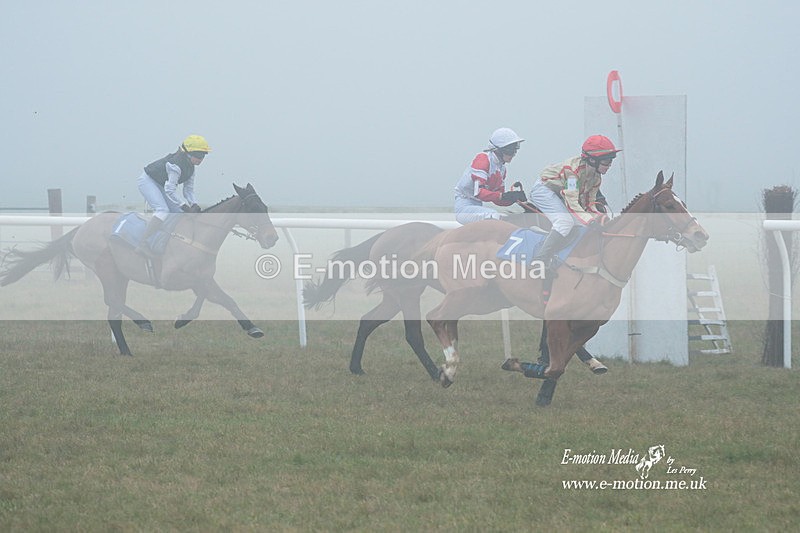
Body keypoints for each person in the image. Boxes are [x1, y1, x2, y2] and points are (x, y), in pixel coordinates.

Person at [527, 134, 621, 273]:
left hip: (560, 192)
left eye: (611, 161)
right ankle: (539, 260)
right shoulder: (572, 172)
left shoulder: (596, 178)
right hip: (544, 190)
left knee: (581, 224)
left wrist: (599, 218)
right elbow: (572, 203)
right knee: (564, 222)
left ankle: (559, 256)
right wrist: (590, 221)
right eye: (606, 162)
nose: (609, 166)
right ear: (592, 160)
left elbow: (589, 204)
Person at [134, 134, 211, 254]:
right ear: (187, 154)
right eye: (198, 155)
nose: (201, 159)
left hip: (161, 185)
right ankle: (142, 243)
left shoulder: (191, 168)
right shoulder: (175, 165)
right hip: (148, 181)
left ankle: (166, 239)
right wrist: (184, 206)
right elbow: (170, 190)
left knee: (179, 213)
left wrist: (194, 204)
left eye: (203, 156)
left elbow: (188, 190)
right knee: (162, 210)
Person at [454, 128, 528, 225]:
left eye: (515, 150)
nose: (514, 154)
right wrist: (503, 196)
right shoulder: (482, 160)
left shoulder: (502, 169)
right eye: (510, 150)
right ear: (498, 150)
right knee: (492, 214)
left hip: (477, 207)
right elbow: (479, 193)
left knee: (504, 217)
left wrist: (513, 198)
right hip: (464, 207)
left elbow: (498, 200)